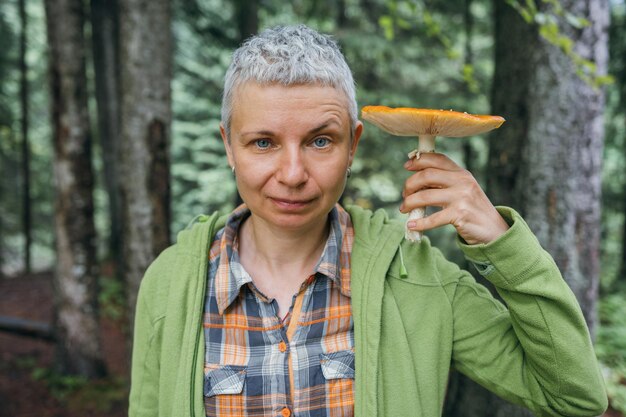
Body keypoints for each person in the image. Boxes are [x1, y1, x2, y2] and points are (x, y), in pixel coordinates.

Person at [129, 25, 607, 417]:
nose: (292, 175)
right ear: (228, 146)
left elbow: (574, 396)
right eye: (263, 143)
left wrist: (504, 244)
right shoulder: (172, 283)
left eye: (320, 141)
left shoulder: (416, 277)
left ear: (352, 144)